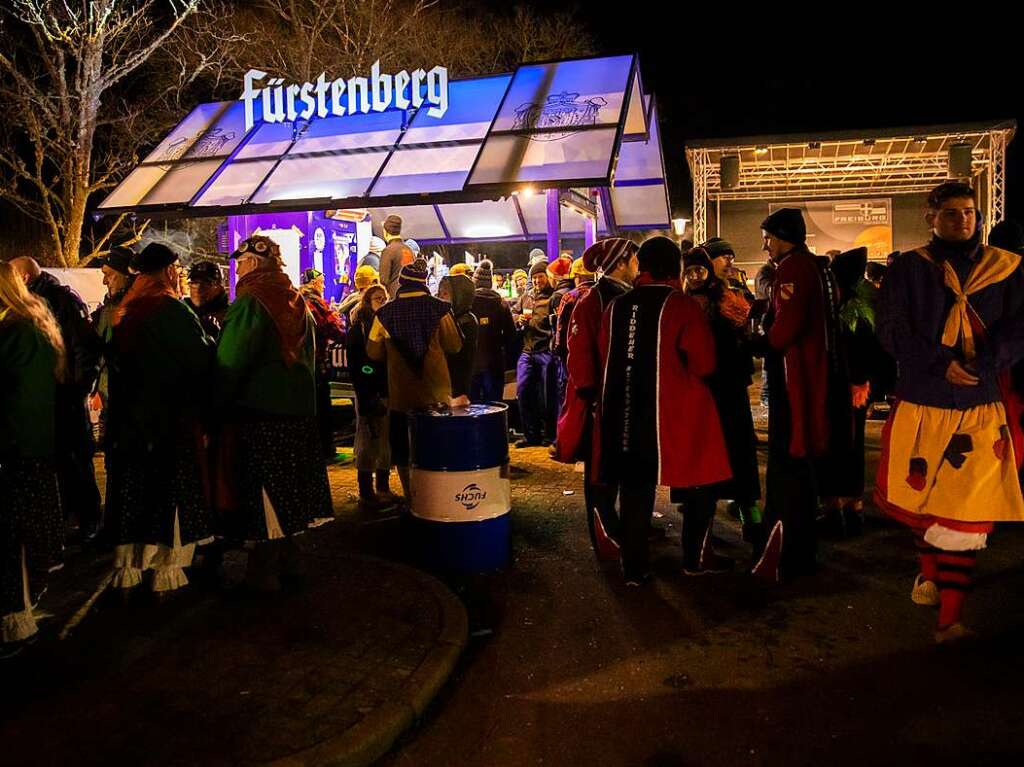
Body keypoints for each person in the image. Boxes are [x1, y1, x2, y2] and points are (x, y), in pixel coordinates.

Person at [875, 182, 1024, 642]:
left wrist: (983, 364)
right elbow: (892, 328)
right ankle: (929, 577)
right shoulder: (907, 270)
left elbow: (1020, 326)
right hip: (925, 400)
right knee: (926, 502)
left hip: (980, 405)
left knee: (966, 514)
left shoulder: (1008, 268)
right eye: (953, 213)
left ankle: (950, 619)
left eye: (970, 212)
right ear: (931, 217)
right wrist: (942, 364)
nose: (963, 220)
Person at [596, 237, 732, 584]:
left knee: (634, 489)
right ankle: (694, 559)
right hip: (677, 414)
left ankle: (635, 568)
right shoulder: (682, 306)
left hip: (624, 411)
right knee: (702, 483)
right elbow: (704, 362)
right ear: (676, 268)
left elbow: (603, 355)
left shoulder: (615, 307)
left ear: (642, 267)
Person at [215, 235, 334, 592]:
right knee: (292, 488)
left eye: (242, 261)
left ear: (253, 263)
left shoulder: (251, 302)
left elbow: (230, 362)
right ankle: (293, 560)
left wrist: (217, 405)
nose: (238, 267)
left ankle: (264, 570)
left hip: (262, 412)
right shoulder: (298, 300)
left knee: (264, 489)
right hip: (299, 411)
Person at [104, 243, 215, 595]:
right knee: (168, 493)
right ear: (167, 271)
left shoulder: (126, 310)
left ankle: (130, 567)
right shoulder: (170, 310)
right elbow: (199, 360)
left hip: (131, 422)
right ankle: (165, 569)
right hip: (169, 420)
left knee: (136, 492)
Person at [754, 208, 849, 582]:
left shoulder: (792, 269)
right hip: (819, 371)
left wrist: (759, 341)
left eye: (768, 238)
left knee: (791, 453)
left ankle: (783, 542)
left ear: (782, 236)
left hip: (797, 376)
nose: (765, 246)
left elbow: (785, 327)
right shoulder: (820, 268)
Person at [556, 238, 638, 559]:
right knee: (600, 472)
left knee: (616, 466)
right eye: (634, 260)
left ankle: (621, 525)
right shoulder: (593, 300)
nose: (638, 266)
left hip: (619, 396)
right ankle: (604, 534)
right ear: (620, 262)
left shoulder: (624, 296)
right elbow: (577, 354)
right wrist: (590, 395)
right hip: (601, 402)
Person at [10, 256, 103, 543]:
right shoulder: (42, 300)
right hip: (56, 393)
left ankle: (88, 520)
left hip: (65, 394)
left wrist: (81, 386)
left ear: (23, 278)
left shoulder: (58, 301)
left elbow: (82, 346)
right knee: (62, 460)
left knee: (74, 457)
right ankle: (71, 519)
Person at [0, 262, 66, 656]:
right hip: (30, 449)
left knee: (12, 540)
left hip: (15, 450)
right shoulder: (31, 326)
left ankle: (15, 622)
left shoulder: (15, 333)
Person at [683, 246, 761, 558]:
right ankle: (706, 531)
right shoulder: (685, 303)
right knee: (709, 467)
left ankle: (752, 523)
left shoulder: (728, 298)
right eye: (689, 271)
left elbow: (744, 336)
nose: (695, 276)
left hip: (726, 393)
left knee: (738, 458)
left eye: (699, 269)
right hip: (703, 395)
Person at [367, 262, 462, 498]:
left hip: (401, 395)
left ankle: (412, 497)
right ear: (423, 282)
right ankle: (437, 497)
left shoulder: (384, 313)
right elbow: (454, 345)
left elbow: (373, 353)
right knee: (436, 446)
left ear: (402, 283)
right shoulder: (440, 309)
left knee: (402, 449)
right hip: (437, 394)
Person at [345, 285, 395, 511]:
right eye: (378, 298)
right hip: (370, 392)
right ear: (367, 300)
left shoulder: (387, 324)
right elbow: (358, 365)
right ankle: (366, 491)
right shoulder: (360, 328)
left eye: (385, 298)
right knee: (368, 441)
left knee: (385, 442)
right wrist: (368, 390)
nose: (382, 302)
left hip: (386, 391)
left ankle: (383, 487)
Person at [299, 268, 346, 461]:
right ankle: (325, 451)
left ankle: (310, 450)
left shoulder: (296, 301)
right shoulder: (316, 303)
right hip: (317, 363)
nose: (324, 285)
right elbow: (334, 329)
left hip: (301, 364)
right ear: (314, 283)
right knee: (322, 409)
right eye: (321, 281)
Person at [515, 261, 557, 447]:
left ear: (547, 277)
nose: (537, 280)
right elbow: (514, 313)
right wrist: (519, 320)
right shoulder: (527, 296)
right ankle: (530, 435)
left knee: (549, 396)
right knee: (523, 391)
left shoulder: (553, 298)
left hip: (545, 350)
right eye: (535, 277)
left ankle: (550, 435)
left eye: (541, 276)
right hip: (527, 350)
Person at [471, 260, 516, 403]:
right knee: (494, 403)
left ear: (475, 282)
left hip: (473, 362)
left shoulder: (468, 303)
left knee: (474, 405)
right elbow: (511, 335)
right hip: (495, 360)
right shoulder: (501, 303)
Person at [438, 272, 478, 401]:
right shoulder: (458, 317)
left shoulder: (464, 321)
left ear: (460, 296)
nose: (440, 298)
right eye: (439, 294)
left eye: (445, 294)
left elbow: (455, 354)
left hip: (457, 386)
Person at [184, 260, 229, 337]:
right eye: (194, 283)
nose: (198, 289)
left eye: (206, 283)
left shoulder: (230, 316)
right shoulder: (182, 312)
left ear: (219, 287)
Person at [379, 215, 415, 299]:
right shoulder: (409, 250)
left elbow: (383, 280)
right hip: (411, 295)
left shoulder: (388, 251)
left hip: (396, 297)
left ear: (386, 231)